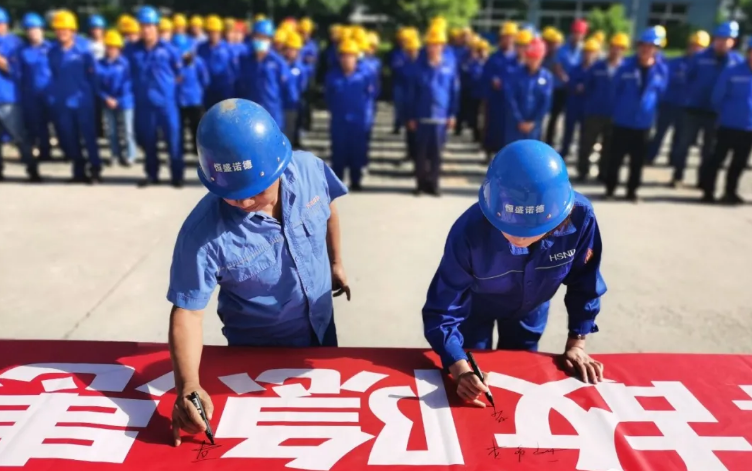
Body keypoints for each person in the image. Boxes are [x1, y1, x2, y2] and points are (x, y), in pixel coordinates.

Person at [168, 99, 350, 445]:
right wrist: (188, 385)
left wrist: (335, 262)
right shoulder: (202, 235)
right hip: (257, 351)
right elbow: (188, 313)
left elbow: (329, 207)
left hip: (321, 328)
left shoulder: (309, 170)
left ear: (278, 167)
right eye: (231, 194)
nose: (243, 202)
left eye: (254, 191)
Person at [423, 139, 607, 406]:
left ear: (559, 218)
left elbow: (585, 281)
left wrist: (577, 342)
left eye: (531, 231)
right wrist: (459, 367)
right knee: (477, 373)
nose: (519, 239)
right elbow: (443, 307)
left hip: (531, 310)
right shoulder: (468, 232)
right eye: (510, 228)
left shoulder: (581, 218)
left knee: (518, 377)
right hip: (474, 310)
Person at [669, 21, 742, 188]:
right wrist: (690, 96)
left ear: (733, 41)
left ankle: (702, 180)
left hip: (716, 113)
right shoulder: (700, 57)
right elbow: (687, 77)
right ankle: (677, 176)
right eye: (719, 38)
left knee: (708, 149)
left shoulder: (736, 62)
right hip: (693, 109)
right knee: (684, 144)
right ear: (715, 39)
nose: (722, 42)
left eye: (726, 39)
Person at [605, 27, 666, 202]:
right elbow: (614, 91)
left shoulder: (661, 70)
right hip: (622, 121)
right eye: (643, 45)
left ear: (656, 49)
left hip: (643, 123)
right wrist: (619, 111)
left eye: (650, 46)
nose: (646, 49)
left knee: (637, 160)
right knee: (615, 158)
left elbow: (661, 93)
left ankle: (632, 191)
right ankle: (610, 189)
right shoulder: (625, 67)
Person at [129, 6, 183, 188]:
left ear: (157, 27)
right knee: (148, 141)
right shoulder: (132, 50)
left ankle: (177, 175)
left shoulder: (169, 49)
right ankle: (152, 174)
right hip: (144, 104)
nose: (146, 30)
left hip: (166, 104)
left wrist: (167, 90)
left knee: (173, 140)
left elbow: (179, 74)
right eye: (143, 26)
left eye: (150, 26)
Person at [48, 10, 101, 183]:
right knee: (70, 137)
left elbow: (94, 75)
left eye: (65, 29)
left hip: (83, 101)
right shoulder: (52, 51)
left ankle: (95, 168)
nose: (61, 33)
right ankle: (78, 171)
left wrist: (94, 96)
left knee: (89, 136)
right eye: (58, 29)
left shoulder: (85, 49)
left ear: (73, 30)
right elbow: (54, 74)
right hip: (63, 102)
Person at [406, 27, 458, 196]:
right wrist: (411, 116)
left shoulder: (449, 67)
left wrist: (452, 114)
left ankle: (434, 184)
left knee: (437, 154)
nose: (433, 48)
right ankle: (420, 184)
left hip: (440, 118)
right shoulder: (418, 68)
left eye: (437, 45)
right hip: (422, 117)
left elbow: (454, 92)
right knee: (420, 154)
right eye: (430, 45)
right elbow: (411, 94)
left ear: (442, 46)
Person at [646, 31, 709, 165]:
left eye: (699, 47)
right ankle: (650, 156)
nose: (696, 49)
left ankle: (673, 159)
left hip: (686, 107)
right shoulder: (676, 62)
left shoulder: (704, 67)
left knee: (679, 136)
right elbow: (666, 79)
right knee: (659, 133)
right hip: (668, 103)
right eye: (694, 45)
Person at [703, 37, 752, 205]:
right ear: (748, 53)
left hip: (748, 128)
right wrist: (727, 114)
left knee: (739, 163)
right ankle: (708, 192)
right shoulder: (732, 71)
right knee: (717, 159)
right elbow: (717, 97)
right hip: (728, 125)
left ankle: (730, 192)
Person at [325, 38, 374, 190]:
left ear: (356, 58)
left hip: (358, 121)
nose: (347, 59)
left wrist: (366, 118)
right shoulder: (332, 76)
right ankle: (337, 183)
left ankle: (356, 180)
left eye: (350, 56)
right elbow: (328, 98)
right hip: (339, 121)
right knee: (338, 152)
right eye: (344, 55)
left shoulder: (365, 76)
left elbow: (371, 96)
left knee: (357, 152)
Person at [578, 32, 627, 181]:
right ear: (609, 48)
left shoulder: (627, 69)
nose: (616, 51)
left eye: (620, 48)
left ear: (624, 50)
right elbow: (587, 86)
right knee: (587, 143)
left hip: (614, 114)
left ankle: (603, 173)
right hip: (594, 112)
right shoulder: (597, 67)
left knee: (609, 146)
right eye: (614, 47)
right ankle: (582, 171)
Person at [0, 8, 41, 182]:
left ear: (5, 24)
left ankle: (31, 167)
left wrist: (3, 63)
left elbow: (17, 71)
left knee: (19, 135)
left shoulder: (15, 44)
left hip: (9, 97)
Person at [236, 19, 294, 131]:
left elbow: (287, 89)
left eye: (264, 38)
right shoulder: (244, 60)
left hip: (272, 115)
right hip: (249, 115)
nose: (260, 40)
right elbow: (239, 86)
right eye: (257, 37)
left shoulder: (277, 62)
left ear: (270, 40)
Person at [97, 30, 136, 167]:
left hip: (125, 101)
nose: (111, 50)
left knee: (127, 130)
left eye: (114, 47)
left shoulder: (125, 63)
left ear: (119, 48)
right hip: (107, 102)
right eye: (109, 47)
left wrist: (118, 100)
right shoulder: (99, 64)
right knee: (111, 131)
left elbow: (128, 83)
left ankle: (130, 155)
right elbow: (97, 84)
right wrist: (106, 98)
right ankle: (115, 154)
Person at [18, 12, 52, 164]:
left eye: (35, 29)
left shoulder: (51, 48)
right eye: (29, 30)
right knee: (36, 124)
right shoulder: (23, 51)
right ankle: (44, 152)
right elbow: (18, 73)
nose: (33, 32)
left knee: (60, 124)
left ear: (42, 29)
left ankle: (69, 151)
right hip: (31, 94)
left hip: (50, 92)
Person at [481, 21, 518, 161]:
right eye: (505, 37)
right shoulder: (494, 57)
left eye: (510, 37)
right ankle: (489, 152)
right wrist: (492, 80)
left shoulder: (517, 58)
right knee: (492, 125)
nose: (508, 40)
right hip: (495, 98)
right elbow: (486, 74)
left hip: (511, 100)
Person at [504, 37, 553, 143]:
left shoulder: (546, 77)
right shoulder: (514, 74)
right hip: (515, 125)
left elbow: (545, 102)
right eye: (530, 57)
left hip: (534, 126)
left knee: (532, 150)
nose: (533, 61)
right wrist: (519, 120)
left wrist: (533, 122)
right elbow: (510, 99)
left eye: (536, 58)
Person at [547, 19, 587, 146]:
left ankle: (566, 144)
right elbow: (556, 66)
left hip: (575, 90)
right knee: (554, 116)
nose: (577, 35)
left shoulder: (584, 49)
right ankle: (549, 141)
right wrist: (566, 80)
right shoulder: (562, 49)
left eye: (580, 33)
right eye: (575, 32)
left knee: (571, 118)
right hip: (560, 87)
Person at [560, 38, 600, 159]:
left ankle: (582, 155)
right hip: (573, 104)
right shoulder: (575, 68)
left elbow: (598, 88)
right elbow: (569, 82)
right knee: (569, 129)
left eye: (591, 52)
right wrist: (575, 86)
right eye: (586, 52)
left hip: (588, 106)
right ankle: (565, 150)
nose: (588, 55)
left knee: (585, 133)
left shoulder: (597, 71)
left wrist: (586, 88)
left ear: (596, 54)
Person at [174, 34, 208, 156]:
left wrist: (199, 91)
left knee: (196, 127)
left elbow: (204, 79)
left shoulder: (198, 62)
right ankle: (180, 150)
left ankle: (197, 150)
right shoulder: (175, 63)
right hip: (179, 100)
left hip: (194, 100)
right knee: (179, 128)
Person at [197, 15, 238, 110]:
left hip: (224, 89)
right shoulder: (201, 48)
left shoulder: (228, 48)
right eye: (210, 32)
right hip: (208, 90)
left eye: (215, 32)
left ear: (220, 33)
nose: (213, 35)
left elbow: (235, 69)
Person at [282, 31, 306, 146]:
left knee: (289, 134)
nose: (291, 52)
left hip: (292, 105)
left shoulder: (300, 68)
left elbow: (302, 86)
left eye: (294, 49)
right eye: (289, 48)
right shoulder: (280, 65)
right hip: (279, 106)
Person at [465, 38, 489, 143]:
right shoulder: (474, 63)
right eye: (480, 50)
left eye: (484, 50)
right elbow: (473, 77)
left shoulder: (490, 63)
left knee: (485, 118)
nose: (483, 52)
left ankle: (483, 138)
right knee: (475, 117)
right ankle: (476, 136)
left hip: (486, 96)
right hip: (476, 95)